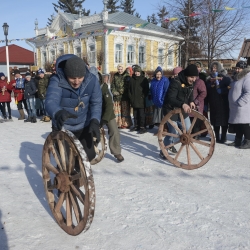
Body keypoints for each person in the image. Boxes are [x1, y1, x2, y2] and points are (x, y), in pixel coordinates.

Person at [45, 54, 102, 162]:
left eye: (80, 77)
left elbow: (96, 103)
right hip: (63, 127)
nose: (76, 82)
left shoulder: (92, 80)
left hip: (83, 125)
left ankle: (78, 173)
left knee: (89, 156)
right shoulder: (57, 80)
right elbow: (50, 101)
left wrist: (95, 120)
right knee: (66, 160)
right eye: (72, 78)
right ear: (66, 74)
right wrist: (58, 113)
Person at [160, 64, 198, 158]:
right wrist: (183, 104)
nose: (193, 80)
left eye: (195, 77)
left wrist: (191, 101)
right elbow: (170, 98)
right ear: (186, 75)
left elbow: (190, 93)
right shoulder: (175, 82)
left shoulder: (190, 83)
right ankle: (164, 148)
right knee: (174, 132)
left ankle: (171, 144)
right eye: (192, 77)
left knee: (188, 129)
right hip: (171, 110)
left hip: (182, 110)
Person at [206, 62, 232, 143]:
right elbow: (206, 91)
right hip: (213, 103)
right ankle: (216, 136)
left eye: (215, 68)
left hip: (223, 103)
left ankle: (223, 136)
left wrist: (222, 90)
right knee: (214, 121)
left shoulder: (226, 79)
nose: (214, 69)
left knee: (224, 121)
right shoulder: (209, 80)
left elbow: (230, 88)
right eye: (212, 68)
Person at [100, 73, 124, 162]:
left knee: (114, 131)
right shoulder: (99, 88)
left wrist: (105, 118)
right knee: (93, 133)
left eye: (107, 77)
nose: (106, 79)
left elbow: (109, 105)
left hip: (108, 114)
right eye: (104, 77)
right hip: (97, 113)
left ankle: (116, 152)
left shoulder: (107, 87)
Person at [228, 61, 250, 148]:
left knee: (244, 124)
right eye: (236, 68)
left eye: (239, 68)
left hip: (242, 106)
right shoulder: (237, 78)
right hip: (235, 106)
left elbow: (248, 92)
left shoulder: (247, 78)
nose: (237, 70)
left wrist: (240, 102)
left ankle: (248, 141)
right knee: (238, 124)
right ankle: (237, 140)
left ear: (244, 69)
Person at [128, 65, 149, 134]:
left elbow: (146, 90)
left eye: (138, 71)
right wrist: (131, 97)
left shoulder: (144, 79)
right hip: (134, 99)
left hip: (141, 100)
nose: (137, 73)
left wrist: (143, 96)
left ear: (140, 72)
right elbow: (129, 90)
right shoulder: (132, 79)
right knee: (135, 114)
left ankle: (143, 127)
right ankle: (136, 125)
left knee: (141, 114)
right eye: (135, 71)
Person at [189, 64, 207, 139]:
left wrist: (196, 101)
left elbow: (204, 93)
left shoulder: (199, 82)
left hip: (197, 106)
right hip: (189, 106)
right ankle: (191, 135)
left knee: (195, 122)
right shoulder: (189, 81)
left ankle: (195, 136)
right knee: (190, 123)